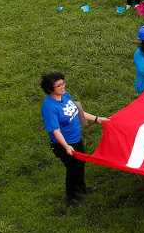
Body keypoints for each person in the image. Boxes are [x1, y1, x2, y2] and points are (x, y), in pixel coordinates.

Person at [41, 72, 106, 206]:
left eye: (63, 83)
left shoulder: (65, 95)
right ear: (49, 89)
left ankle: (81, 188)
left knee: (80, 163)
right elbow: (55, 131)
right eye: (58, 86)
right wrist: (66, 147)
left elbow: (77, 112)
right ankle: (71, 198)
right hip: (64, 144)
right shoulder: (49, 107)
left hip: (76, 138)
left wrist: (96, 119)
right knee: (72, 168)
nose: (63, 87)